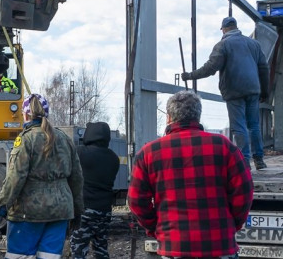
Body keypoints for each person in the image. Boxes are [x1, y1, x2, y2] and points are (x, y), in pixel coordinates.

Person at [128, 90, 252, 259]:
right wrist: (231, 225)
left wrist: (156, 228)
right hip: (220, 245)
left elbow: (136, 200)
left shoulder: (148, 153)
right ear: (198, 117)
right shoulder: (224, 146)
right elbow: (244, 192)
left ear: (168, 118)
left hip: (174, 246)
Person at [0, 93, 84, 259]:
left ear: (26, 114)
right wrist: (78, 210)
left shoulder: (26, 140)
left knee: (18, 256)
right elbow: (77, 178)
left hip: (27, 212)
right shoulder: (64, 138)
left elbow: (15, 178)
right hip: (60, 211)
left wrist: (1, 208)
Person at [181, 15, 269, 169]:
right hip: (253, 89)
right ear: (236, 27)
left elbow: (210, 68)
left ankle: (244, 162)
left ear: (224, 29)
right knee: (254, 125)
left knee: (239, 126)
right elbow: (264, 68)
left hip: (234, 90)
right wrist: (265, 91)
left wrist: (190, 76)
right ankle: (259, 160)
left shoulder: (223, 45)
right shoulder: (254, 44)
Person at [69, 122, 120, 259]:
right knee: (101, 248)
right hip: (104, 211)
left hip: (84, 210)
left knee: (78, 250)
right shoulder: (114, 158)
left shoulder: (80, 152)